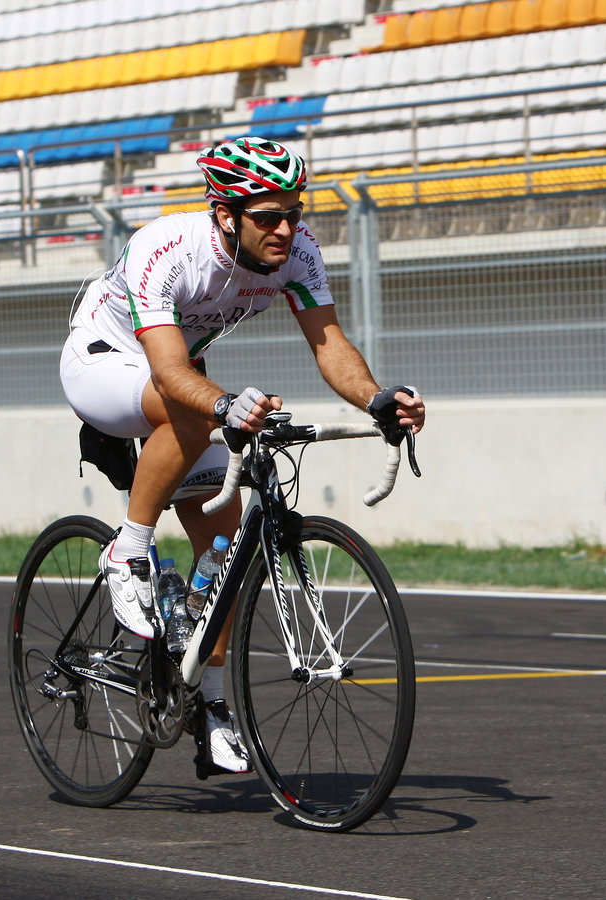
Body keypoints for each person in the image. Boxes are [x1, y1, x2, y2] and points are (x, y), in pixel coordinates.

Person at [60, 136, 426, 778]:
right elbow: (172, 372)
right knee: (196, 408)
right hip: (104, 359)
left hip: (177, 377)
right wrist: (225, 405)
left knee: (224, 549)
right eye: (268, 217)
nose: (287, 228)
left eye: (294, 211)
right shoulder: (168, 250)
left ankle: (211, 706)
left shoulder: (299, 252)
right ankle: (128, 547)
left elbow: (329, 343)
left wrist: (376, 398)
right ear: (225, 214)